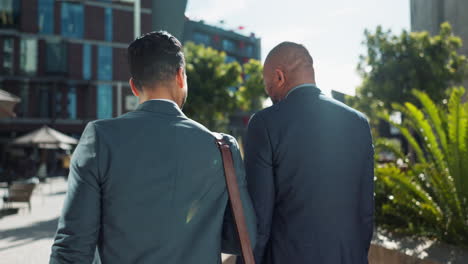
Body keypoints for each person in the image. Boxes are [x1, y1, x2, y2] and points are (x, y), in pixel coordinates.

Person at [50, 31, 256, 264]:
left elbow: (73, 246)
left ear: (134, 87)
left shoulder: (99, 138)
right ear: (180, 76)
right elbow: (243, 238)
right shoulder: (222, 147)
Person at [243, 42, 374, 264]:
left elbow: (259, 219)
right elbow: (365, 212)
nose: (270, 96)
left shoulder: (264, 124)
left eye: (269, 88)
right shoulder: (358, 122)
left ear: (279, 77)